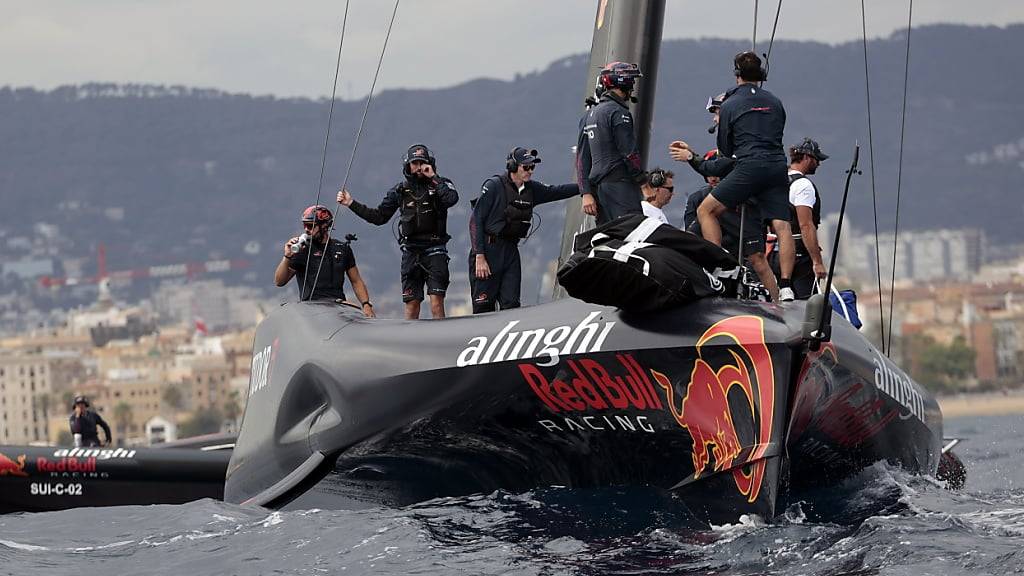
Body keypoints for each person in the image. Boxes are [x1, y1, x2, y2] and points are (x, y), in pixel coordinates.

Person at [671, 52, 797, 301]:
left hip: (750, 166)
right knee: (782, 226)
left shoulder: (729, 104)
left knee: (705, 210)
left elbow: (726, 151)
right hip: (776, 165)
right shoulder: (775, 101)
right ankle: (786, 287)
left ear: (736, 74)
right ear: (761, 75)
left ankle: (716, 270)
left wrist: (692, 157)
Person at [338, 144, 458, 319]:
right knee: (411, 305)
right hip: (411, 252)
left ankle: (439, 340)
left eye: (422, 162)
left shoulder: (441, 183)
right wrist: (351, 203)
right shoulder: (399, 191)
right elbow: (378, 217)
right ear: (407, 165)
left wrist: (433, 177)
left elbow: (451, 199)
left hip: (435, 250)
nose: (418, 167)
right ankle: (412, 342)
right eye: (414, 163)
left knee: (436, 303)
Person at [470, 147, 579, 313]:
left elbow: (558, 191)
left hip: (511, 251)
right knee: (483, 306)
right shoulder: (493, 186)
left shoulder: (532, 189)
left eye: (532, 167)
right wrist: (479, 256)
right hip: (488, 250)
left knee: (511, 304)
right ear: (513, 166)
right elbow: (475, 220)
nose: (530, 171)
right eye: (526, 167)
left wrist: (586, 186)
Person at [683, 151, 778, 299]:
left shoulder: (747, 187)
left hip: (743, 240)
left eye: (718, 175)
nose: (714, 179)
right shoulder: (699, 198)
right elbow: (691, 236)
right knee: (693, 245)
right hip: (720, 253)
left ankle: (776, 300)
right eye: (710, 175)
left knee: (758, 261)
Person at [274, 204, 375, 317]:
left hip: (338, 309)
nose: (306, 229)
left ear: (324, 226)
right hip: (311, 310)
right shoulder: (302, 249)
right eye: (304, 225)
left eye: (310, 226)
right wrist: (287, 256)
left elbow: (356, 280)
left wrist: (366, 304)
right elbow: (279, 281)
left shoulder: (342, 248)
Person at [576, 61, 646, 225]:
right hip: (620, 187)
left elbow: (581, 159)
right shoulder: (618, 112)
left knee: (607, 238)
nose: (633, 85)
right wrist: (643, 182)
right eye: (631, 81)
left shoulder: (589, 115)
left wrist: (585, 192)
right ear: (624, 82)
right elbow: (629, 153)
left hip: (600, 192)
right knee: (634, 233)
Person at [770, 138, 829, 299]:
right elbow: (805, 225)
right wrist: (817, 262)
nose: (819, 164)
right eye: (817, 159)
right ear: (807, 158)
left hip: (773, 253)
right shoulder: (803, 185)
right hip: (798, 256)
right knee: (806, 307)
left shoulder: (777, 181)